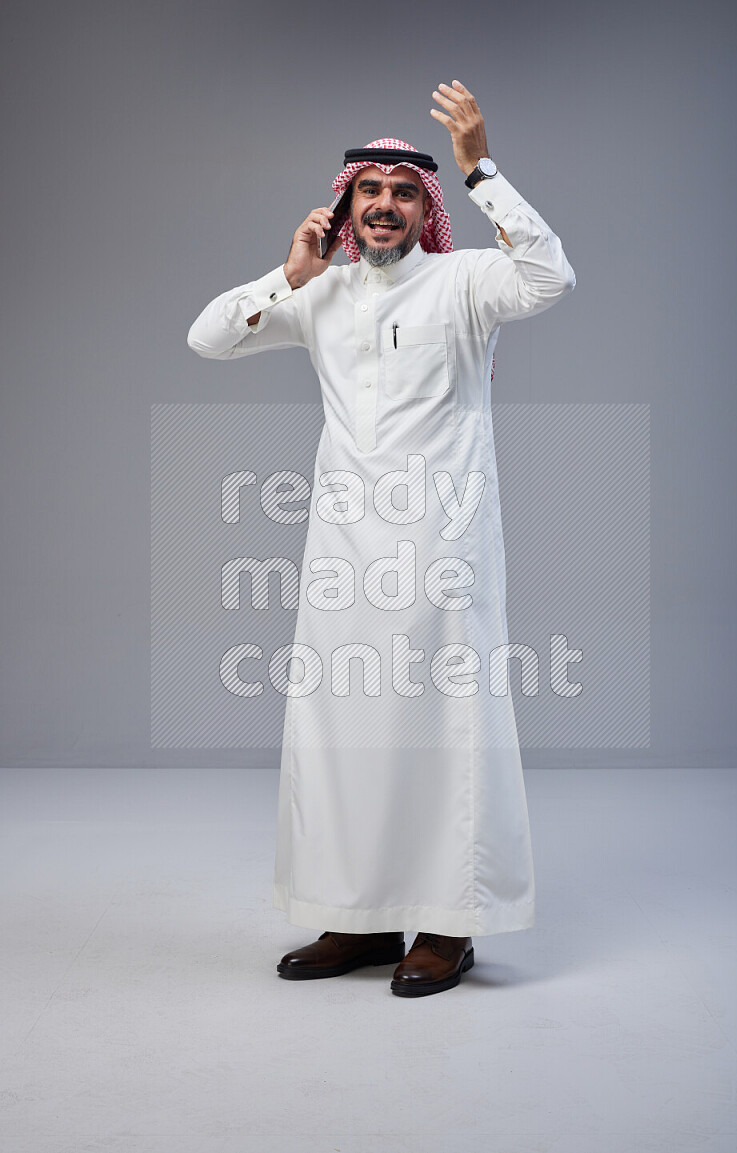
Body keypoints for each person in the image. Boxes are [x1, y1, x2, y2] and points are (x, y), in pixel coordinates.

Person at [187, 80, 576, 997]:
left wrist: (481, 166)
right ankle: (359, 920)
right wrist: (287, 275)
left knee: (447, 730)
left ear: (425, 208)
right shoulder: (320, 294)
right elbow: (207, 338)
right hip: (341, 554)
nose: (387, 206)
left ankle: (449, 925)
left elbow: (552, 276)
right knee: (342, 732)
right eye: (372, 191)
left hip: (443, 547)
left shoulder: (466, 279)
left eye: (406, 191)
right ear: (345, 203)